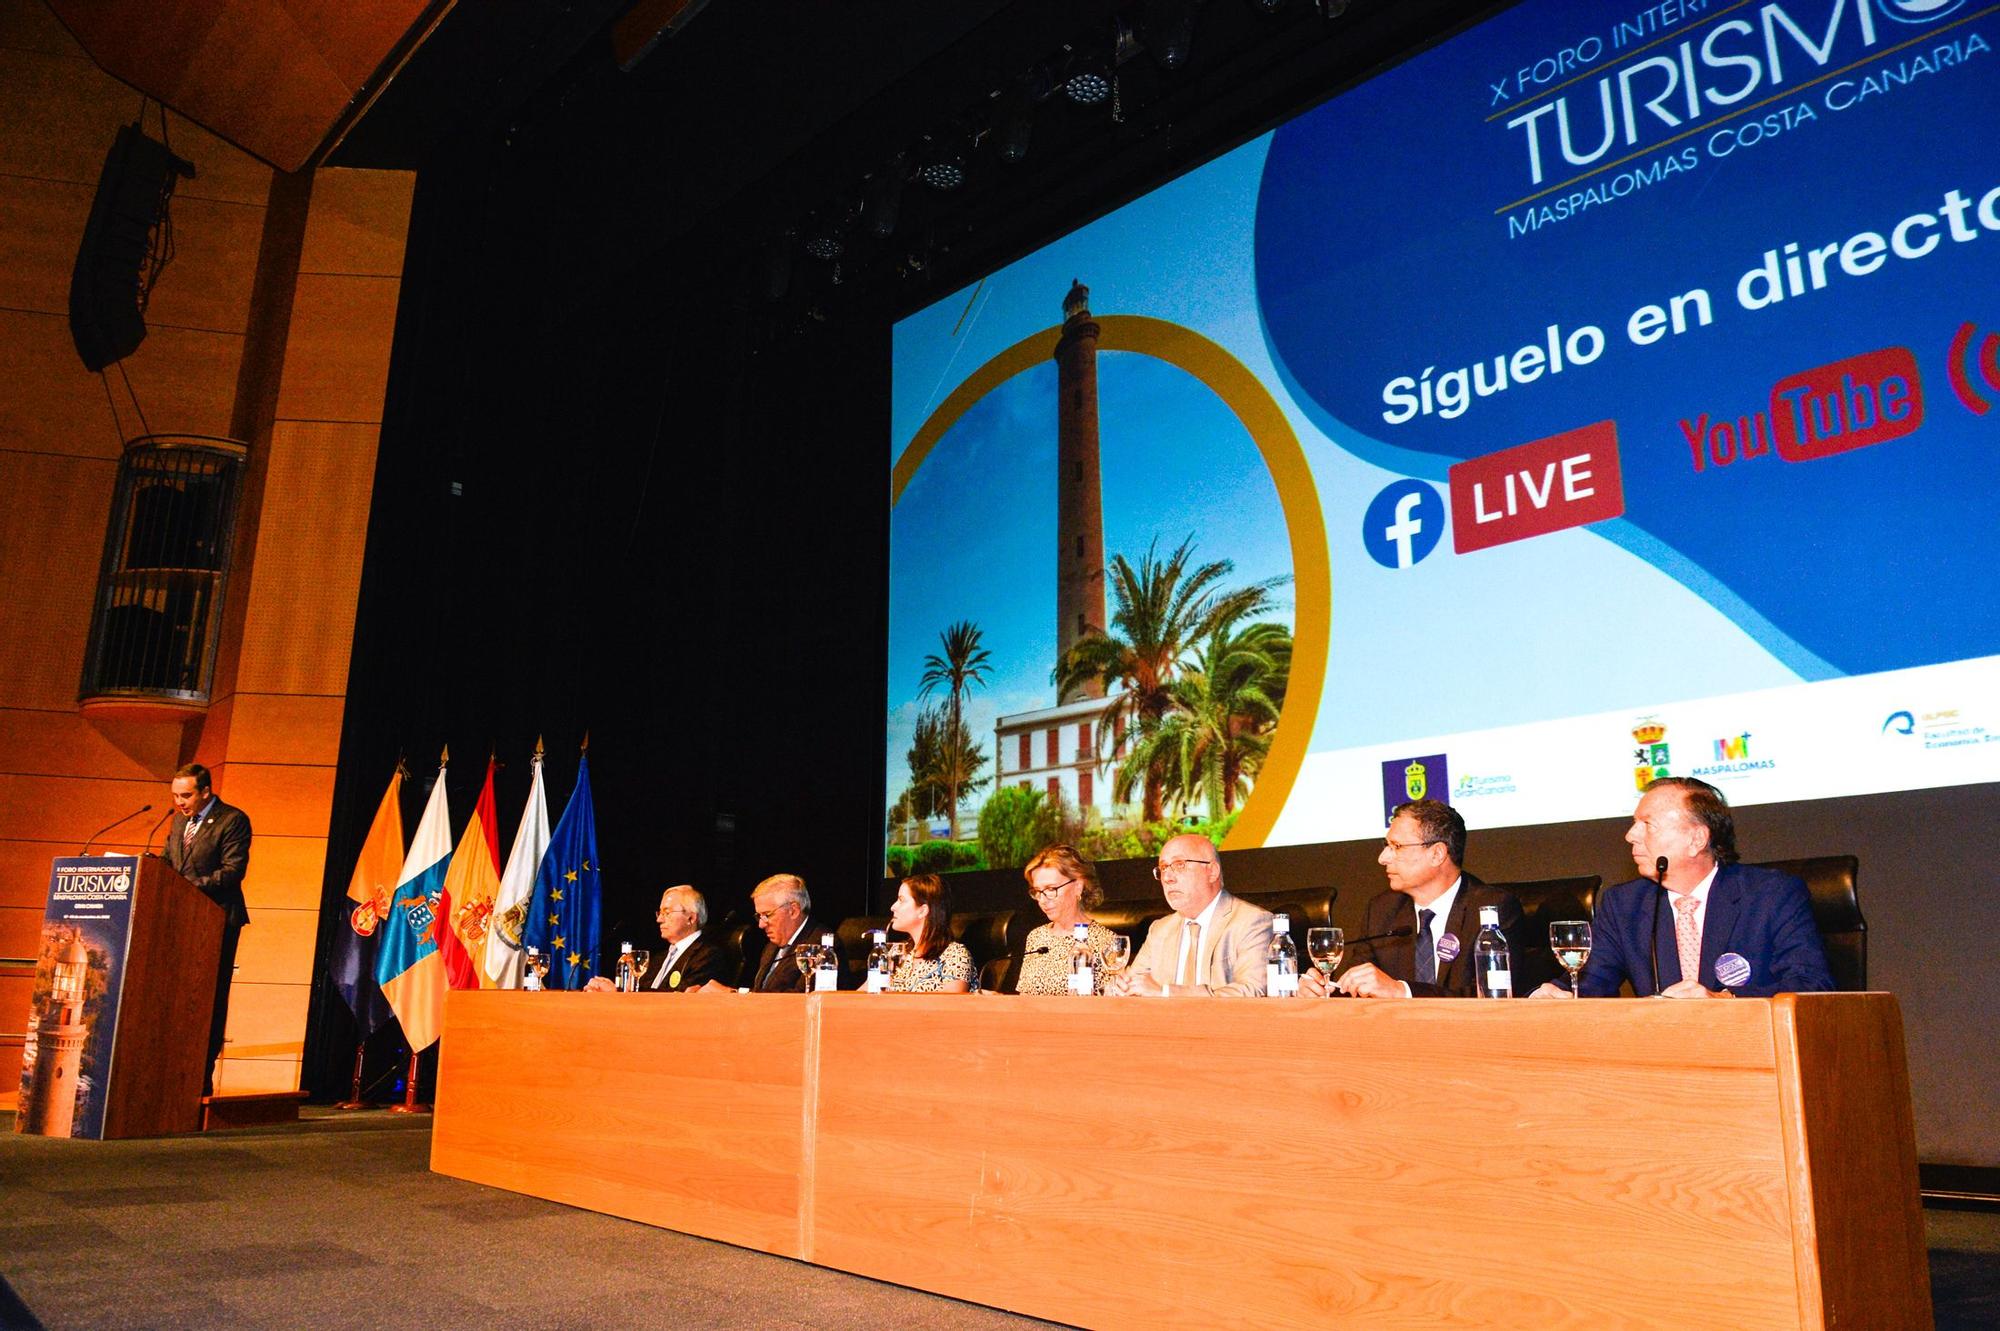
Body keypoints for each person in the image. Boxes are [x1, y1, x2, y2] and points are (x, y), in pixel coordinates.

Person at [1532, 777, 1834, 999]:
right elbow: (1591, 980)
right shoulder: (1625, 904)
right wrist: (1559, 993)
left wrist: (1723, 1000)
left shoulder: (1771, 894)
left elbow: (1811, 984)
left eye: (1647, 824)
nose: (1630, 836)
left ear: (1697, 840)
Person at [1304, 798, 1544, 998]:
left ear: (1437, 854)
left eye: (1397, 846)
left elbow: (1493, 996)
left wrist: (1403, 992)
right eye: (1386, 846)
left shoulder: (1491, 909)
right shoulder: (1382, 910)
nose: (1383, 858)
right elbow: (1354, 986)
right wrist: (1323, 990)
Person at [162, 763, 250, 1094]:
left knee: (208, 997)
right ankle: (172, 1070)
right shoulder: (178, 821)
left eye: (186, 795)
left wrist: (188, 887)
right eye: (175, 795)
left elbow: (232, 871)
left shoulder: (232, 820)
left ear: (205, 792)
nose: (179, 802)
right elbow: (169, 863)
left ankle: (201, 1075)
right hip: (181, 919)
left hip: (216, 919)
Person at [1105, 833, 1271, 997]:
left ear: (1212, 871)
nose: (1168, 878)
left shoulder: (1252, 921)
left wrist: (1165, 993)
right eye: (1163, 868)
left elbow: (1253, 990)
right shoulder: (1160, 930)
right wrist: (1121, 988)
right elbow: (1135, 984)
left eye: (1179, 865)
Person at [706, 873, 843, 993]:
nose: (761, 924)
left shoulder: (823, 947)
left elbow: (804, 998)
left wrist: (735, 994)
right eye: (759, 916)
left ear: (793, 910)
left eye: (767, 915)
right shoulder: (771, 947)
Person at [1015, 845, 1119, 995]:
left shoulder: (1106, 942)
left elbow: (1111, 1005)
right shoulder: (1036, 937)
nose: (1043, 900)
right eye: (1038, 891)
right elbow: (1024, 998)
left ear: (1078, 886)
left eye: (1051, 889)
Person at [585, 885, 730, 992]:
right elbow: (641, 991)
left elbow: (680, 998)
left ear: (691, 918)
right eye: (659, 913)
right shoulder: (658, 959)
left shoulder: (708, 956)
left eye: (667, 912)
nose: (659, 919)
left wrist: (618, 994)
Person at [887, 873, 975, 993]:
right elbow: (863, 996)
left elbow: (951, 1005)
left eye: (901, 900)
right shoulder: (896, 953)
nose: (893, 907)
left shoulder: (955, 955)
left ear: (922, 911)